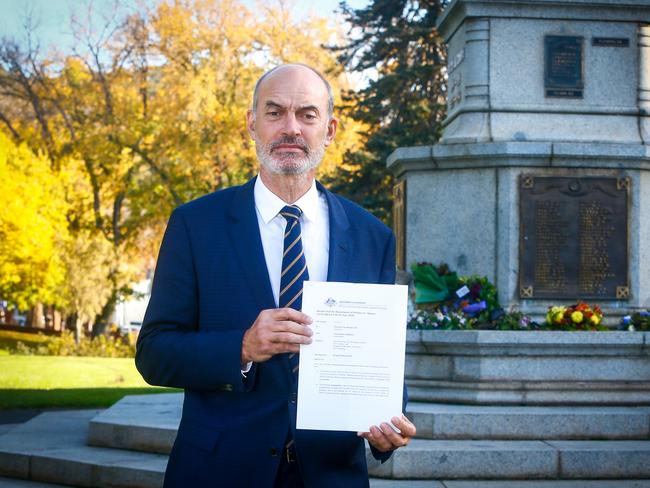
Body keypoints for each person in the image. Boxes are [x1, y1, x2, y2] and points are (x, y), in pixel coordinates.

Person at [136, 63, 416, 488]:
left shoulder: (371, 236)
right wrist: (242, 347)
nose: (291, 128)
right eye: (275, 112)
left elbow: (379, 355)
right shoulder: (196, 225)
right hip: (219, 471)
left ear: (330, 129)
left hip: (330, 475)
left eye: (307, 114)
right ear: (252, 124)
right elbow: (155, 352)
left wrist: (388, 420)